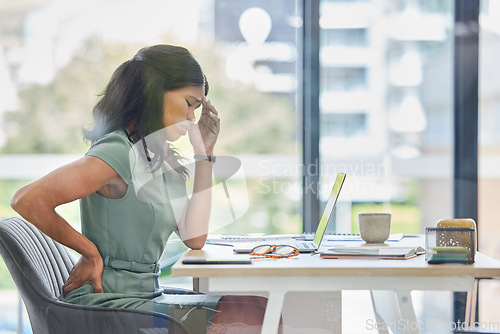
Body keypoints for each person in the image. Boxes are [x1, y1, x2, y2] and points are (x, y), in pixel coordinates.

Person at [11, 45, 271, 334]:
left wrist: (204, 154)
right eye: (188, 103)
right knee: (250, 320)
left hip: (147, 299)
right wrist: (90, 253)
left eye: (197, 108)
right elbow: (28, 200)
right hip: (109, 304)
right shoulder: (118, 151)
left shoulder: (161, 158)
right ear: (153, 92)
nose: (192, 118)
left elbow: (194, 237)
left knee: (259, 309)